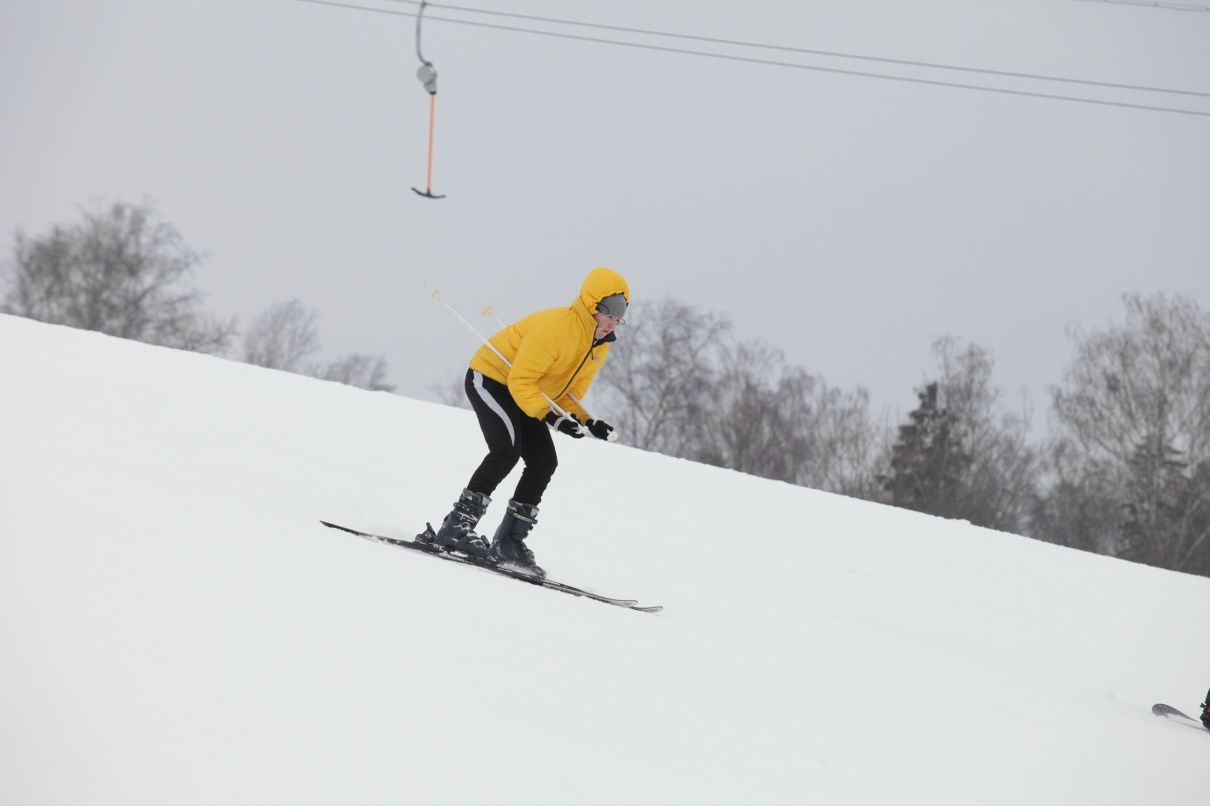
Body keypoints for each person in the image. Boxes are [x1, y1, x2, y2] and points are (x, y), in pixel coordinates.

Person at [418, 267, 629, 578]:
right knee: (506, 451)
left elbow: (564, 394)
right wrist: (554, 420)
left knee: (544, 461)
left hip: (527, 392)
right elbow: (520, 381)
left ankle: (509, 542)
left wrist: (587, 420)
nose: (613, 320)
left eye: (621, 313)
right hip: (491, 378)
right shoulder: (557, 327)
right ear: (591, 306)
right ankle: (456, 527)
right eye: (609, 310)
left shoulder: (599, 347)